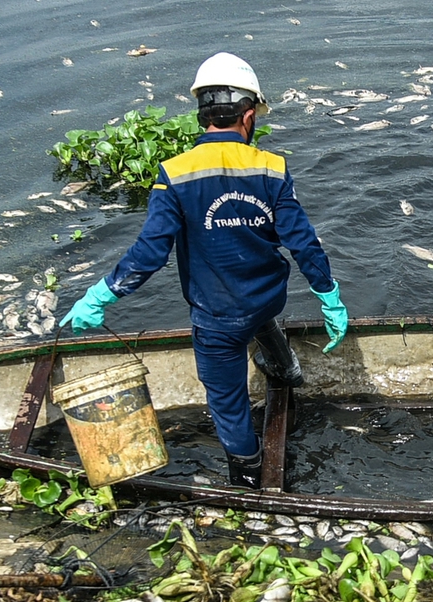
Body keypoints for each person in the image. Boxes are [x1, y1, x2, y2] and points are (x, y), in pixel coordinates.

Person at [61, 53, 348, 488]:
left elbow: (149, 253)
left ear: (202, 115)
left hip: (219, 319)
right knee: (256, 310)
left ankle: (248, 479)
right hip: (269, 297)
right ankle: (285, 367)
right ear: (249, 115)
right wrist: (329, 297)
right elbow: (303, 242)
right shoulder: (272, 168)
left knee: (227, 402)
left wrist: (102, 294)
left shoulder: (174, 174)